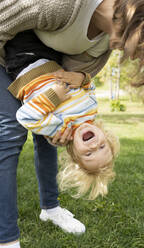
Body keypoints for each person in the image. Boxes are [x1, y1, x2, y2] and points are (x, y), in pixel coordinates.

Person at [0, 0, 144, 247]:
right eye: (140, 51)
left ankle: (51, 207)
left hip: (30, 68)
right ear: (139, 25)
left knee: (46, 143)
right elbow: (84, 86)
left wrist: (50, 122)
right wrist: (77, 81)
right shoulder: (58, 7)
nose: (131, 57)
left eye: (88, 153)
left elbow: (37, 112)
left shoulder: (106, 43)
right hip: (11, 47)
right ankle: (7, 237)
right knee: (10, 132)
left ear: (75, 155)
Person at [5, 31, 119, 200]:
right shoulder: (92, 110)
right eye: (102, 147)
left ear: (74, 154)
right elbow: (89, 87)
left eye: (88, 154)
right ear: (106, 136)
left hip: (25, 62)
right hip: (52, 58)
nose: (94, 146)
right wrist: (82, 78)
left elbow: (25, 117)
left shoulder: (59, 128)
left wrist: (54, 97)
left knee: (18, 26)